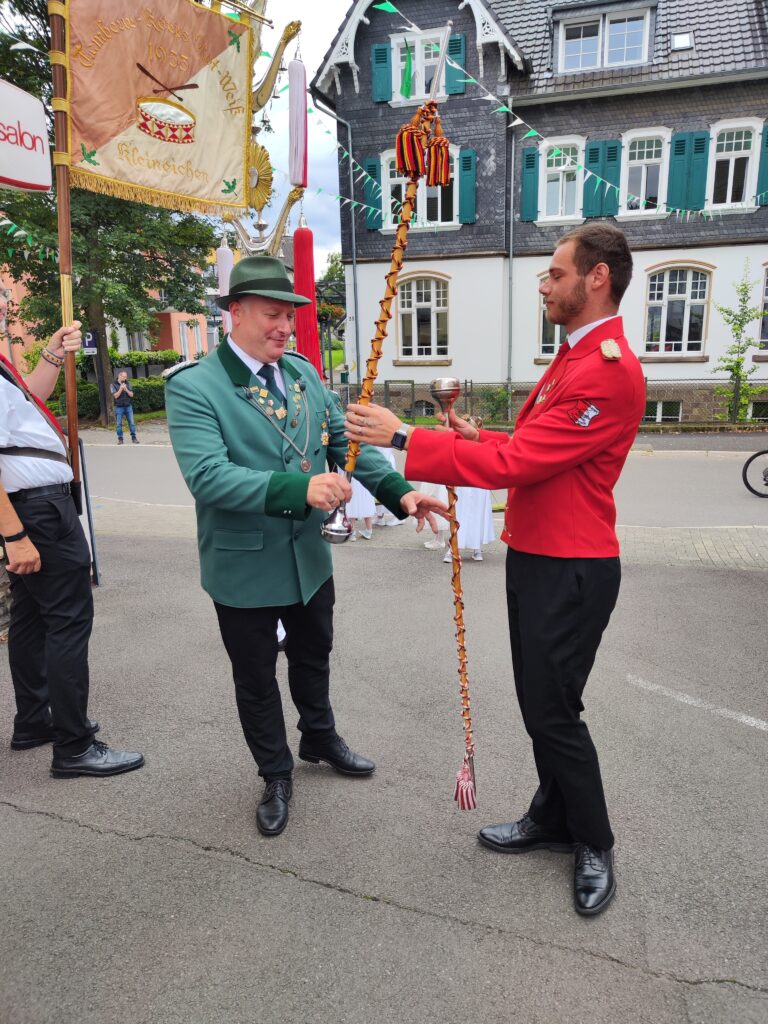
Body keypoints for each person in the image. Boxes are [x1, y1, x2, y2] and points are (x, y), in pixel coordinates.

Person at [345, 224, 645, 916]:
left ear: (597, 278)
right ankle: (552, 816)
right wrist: (482, 436)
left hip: (571, 566)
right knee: (542, 705)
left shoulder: (607, 368)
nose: (545, 285)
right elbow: (537, 446)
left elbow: (521, 464)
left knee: (554, 711)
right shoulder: (576, 356)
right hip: (541, 557)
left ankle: (593, 839)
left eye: (557, 274)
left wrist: (403, 436)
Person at [164, 256, 446, 838]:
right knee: (256, 676)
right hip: (243, 563)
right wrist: (301, 488)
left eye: (289, 317)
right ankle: (275, 772)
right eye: (272, 315)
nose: (285, 328)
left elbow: (343, 443)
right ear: (235, 313)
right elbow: (207, 477)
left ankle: (318, 736)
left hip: (308, 559)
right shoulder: (195, 387)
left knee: (314, 652)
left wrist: (400, 492)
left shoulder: (300, 373)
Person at [0, 302, 144, 777]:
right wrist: (14, 534)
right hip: (37, 511)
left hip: (36, 507)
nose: (4, 304)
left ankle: (35, 721)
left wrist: (52, 353)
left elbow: (28, 404)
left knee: (31, 618)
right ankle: (75, 745)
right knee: (68, 620)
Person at [441, 486, 496, 563]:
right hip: (463, 482)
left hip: (480, 482)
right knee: (461, 510)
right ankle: (454, 548)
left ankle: (477, 547)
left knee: (478, 510)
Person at [111, 370, 138, 444]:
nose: (125, 378)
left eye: (126, 377)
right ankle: (120, 439)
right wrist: (120, 389)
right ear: (119, 376)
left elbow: (131, 395)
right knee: (119, 424)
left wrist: (126, 389)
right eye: (123, 377)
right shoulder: (113, 384)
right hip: (119, 407)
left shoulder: (128, 383)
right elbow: (115, 396)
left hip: (128, 406)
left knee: (132, 423)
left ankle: (134, 438)